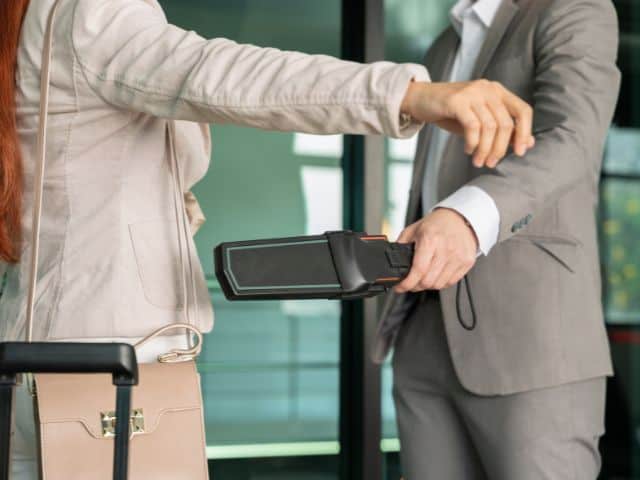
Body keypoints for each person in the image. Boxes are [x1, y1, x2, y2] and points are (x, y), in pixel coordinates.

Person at [0, 0, 534, 477]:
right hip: (111, 374)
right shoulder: (94, 13)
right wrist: (411, 95)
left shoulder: (32, 23)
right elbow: (228, 76)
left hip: (42, 359)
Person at [374, 0, 621, 479]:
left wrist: (465, 218)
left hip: (530, 337)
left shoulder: (573, 8)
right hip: (424, 327)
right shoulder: (445, 42)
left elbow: (573, 136)